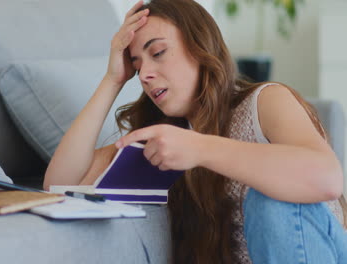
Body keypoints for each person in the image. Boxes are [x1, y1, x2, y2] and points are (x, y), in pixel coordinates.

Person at [43, 0, 347, 263]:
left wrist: (199, 148)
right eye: (136, 66)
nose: (145, 74)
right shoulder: (162, 141)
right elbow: (59, 184)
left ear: (199, 47)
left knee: (273, 197)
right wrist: (113, 79)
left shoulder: (265, 100)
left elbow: (327, 178)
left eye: (158, 52)